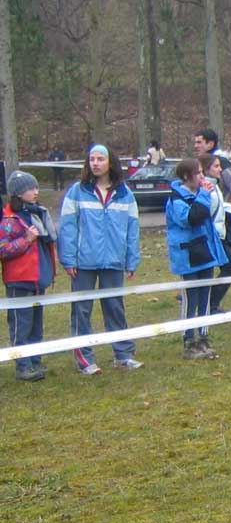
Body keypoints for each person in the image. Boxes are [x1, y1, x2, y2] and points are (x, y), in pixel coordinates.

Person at [59, 143, 142, 373]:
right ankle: (85, 359)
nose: (95, 163)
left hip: (114, 261)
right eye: (92, 159)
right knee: (81, 311)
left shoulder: (125, 194)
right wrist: (68, 259)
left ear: (110, 162)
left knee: (115, 308)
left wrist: (131, 259)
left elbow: (132, 229)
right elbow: (67, 227)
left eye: (100, 159)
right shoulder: (77, 191)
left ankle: (123, 355)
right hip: (83, 262)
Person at [166, 157, 225, 359]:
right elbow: (191, 218)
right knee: (191, 298)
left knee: (205, 296)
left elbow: (210, 213)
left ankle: (204, 336)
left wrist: (205, 194)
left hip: (205, 252)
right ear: (186, 176)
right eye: (198, 172)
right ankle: (189, 339)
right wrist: (203, 195)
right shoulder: (176, 199)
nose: (202, 176)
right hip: (187, 255)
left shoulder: (202, 193)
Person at [1, 171, 57, 381]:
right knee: (21, 325)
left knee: (36, 325)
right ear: (18, 193)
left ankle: (35, 360)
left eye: (36, 187)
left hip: (38, 278)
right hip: (19, 281)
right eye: (31, 188)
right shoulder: (8, 219)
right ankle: (22, 366)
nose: (36, 192)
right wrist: (26, 239)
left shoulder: (37, 214)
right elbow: (3, 250)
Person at [198, 153, 231, 314]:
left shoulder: (215, 185)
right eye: (216, 166)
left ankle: (210, 303)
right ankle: (210, 304)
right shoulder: (205, 187)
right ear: (206, 169)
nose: (220, 169)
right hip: (212, 236)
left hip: (219, 234)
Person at [194, 129, 231, 212]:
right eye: (195, 142)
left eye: (199, 142)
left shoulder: (223, 162)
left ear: (210, 144)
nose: (195, 146)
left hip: (224, 211)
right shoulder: (199, 162)